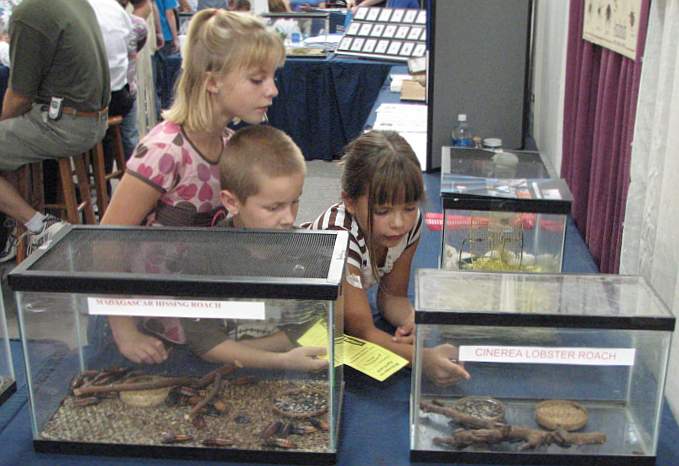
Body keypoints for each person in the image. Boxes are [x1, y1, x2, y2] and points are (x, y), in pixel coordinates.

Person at [101, 8, 284, 364]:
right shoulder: (163, 152)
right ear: (213, 80)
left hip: (209, 311)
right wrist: (124, 330)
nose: (273, 90)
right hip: (161, 319)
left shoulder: (229, 144)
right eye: (257, 79)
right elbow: (107, 243)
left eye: (273, 78)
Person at [307, 130, 470, 386]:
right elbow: (360, 331)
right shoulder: (337, 237)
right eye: (383, 211)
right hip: (297, 323)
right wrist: (422, 359)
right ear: (349, 201)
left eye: (409, 207)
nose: (398, 223)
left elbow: (392, 296)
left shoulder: (410, 224)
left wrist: (410, 320)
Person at [171, 125, 326, 370]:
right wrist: (281, 359)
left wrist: (241, 353)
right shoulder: (202, 257)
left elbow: (314, 322)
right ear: (232, 202)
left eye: (295, 201)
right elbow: (205, 343)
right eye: (274, 207)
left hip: (289, 367)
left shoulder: (307, 251)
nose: (288, 218)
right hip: (223, 373)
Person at [0, 0, 109, 259]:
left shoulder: (28, 13)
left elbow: (19, 97)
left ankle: (39, 226)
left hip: (66, 126)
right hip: (94, 120)